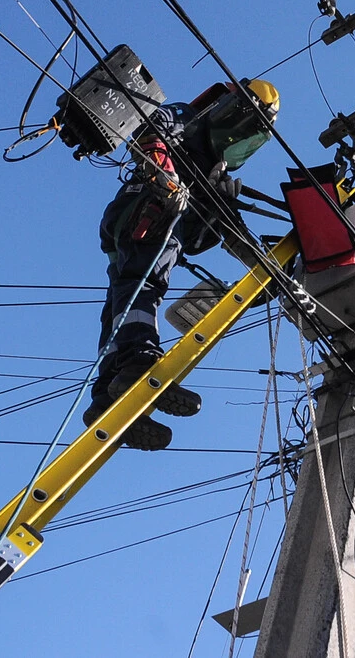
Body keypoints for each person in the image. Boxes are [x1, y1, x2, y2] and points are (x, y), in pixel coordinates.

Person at [83, 78, 281, 450]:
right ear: (233, 109)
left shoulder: (216, 173)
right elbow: (149, 130)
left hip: (139, 226)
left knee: (121, 300)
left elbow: (229, 229)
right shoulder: (187, 117)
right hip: (146, 210)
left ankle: (108, 394)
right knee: (145, 281)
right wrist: (166, 176)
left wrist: (265, 269)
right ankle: (139, 357)